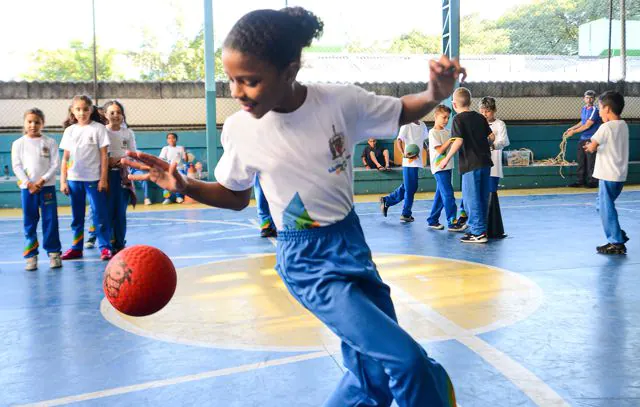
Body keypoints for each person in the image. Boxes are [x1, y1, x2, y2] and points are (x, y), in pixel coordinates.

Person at [125, 7, 463, 406]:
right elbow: (236, 197)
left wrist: (432, 95)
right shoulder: (240, 129)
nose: (236, 91)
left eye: (250, 81)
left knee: (370, 377)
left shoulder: (338, 102)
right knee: (407, 363)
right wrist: (185, 185)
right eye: (231, 79)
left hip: (351, 244)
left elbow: (401, 109)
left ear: (290, 70)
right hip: (306, 260)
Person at [59, 95, 113, 260]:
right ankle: (76, 247)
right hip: (74, 180)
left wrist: (103, 179)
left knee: (99, 214)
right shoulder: (70, 131)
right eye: (78, 109)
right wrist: (63, 180)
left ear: (91, 110)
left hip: (94, 180)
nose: (82, 112)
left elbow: (104, 156)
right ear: (73, 111)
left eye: (85, 109)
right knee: (77, 216)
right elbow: (65, 158)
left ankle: (104, 247)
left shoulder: (98, 129)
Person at [438, 87, 494, 243]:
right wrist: (482, 143)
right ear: (470, 102)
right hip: (485, 162)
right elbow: (492, 137)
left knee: (471, 199)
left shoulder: (458, 119)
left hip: (471, 164)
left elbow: (459, 141)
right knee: (482, 197)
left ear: (454, 104)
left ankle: (478, 233)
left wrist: (446, 158)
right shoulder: (480, 117)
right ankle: (480, 229)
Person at [11, 108, 62, 271]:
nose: (33, 125)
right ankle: (31, 255)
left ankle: (54, 253)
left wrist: (41, 180)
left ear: (43, 124)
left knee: (50, 220)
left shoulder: (50, 142)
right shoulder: (18, 144)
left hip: (46, 188)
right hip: (28, 189)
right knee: (30, 221)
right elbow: (16, 166)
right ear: (25, 123)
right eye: (30, 121)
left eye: (37, 122)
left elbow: (55, 165)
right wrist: (29, 183)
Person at [583, 91, 629, 254]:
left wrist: (589, 147)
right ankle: (618, 234)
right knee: (602, 205)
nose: (600, 112)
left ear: (607, 109)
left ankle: (616, 241)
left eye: (601, 108)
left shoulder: (606, 127)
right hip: (619, 175)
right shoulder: (623, 125)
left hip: (608, 174)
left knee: (605, 207)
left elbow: (593, 145)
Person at [103, 100, 138, 254]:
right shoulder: (102, 132)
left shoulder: (128, 133)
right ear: (105, 115)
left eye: (118, 112)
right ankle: (107, 243)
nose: (115, 115)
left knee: (120, 211)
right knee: (107, 210)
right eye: (112, 112)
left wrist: (124, 161)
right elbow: (99, 154)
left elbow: (133, 154)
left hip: (123, 176)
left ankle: (119, 242)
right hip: (106, 176)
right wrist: (106, 162)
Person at [426, 105, 466, 232]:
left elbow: (457, 143)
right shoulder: (432, 133)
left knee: (440, 196)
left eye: (448, 118)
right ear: (436, 116)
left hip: (448, 167)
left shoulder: (448, 131)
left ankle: (432, 220)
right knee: (448, 195)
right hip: (439, 168)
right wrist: (450, 140)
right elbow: (440, 150)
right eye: (443, 117)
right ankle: (452, 222)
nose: (446, 120)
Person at [379, 121, 428, 222]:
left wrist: (429, 150)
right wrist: (403, 154)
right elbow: (399, 140)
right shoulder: (406, 125)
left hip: (418, 161)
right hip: (409, 162)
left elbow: (424, 142)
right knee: (410, 188)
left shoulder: (422, 125)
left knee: (408, 186)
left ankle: (387, 200)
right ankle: (406, 214)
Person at [479, 96, 509, 238]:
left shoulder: (500, 124)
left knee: (491, 191)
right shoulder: (477, 122)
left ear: (494, 111)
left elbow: (504, 141)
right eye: (483, 111)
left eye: (488, 111)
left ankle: (490, 224)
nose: (485, 114)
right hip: (479, 162)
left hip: (494, 162)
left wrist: (491, 144)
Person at [564, 90, 602, 188]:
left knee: (591, 161)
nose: (589, 99)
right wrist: (572, 128)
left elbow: (587, 126)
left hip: (591, 139)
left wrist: (573, 132)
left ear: (594, 99)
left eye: (591, 97)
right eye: (587, 97)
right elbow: (582, 122)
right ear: (584, 98)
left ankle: (592, 182)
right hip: (583, 138)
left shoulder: (595, 110)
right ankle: (580, 181)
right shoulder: (584, 108)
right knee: (581, 160)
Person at [159, 132, 187, 204]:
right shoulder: (165, 149)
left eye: (173, 138)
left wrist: (185, 152)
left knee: (178, 180)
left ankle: (179, 197)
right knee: (165, 180)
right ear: (167, 140)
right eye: (169, 138)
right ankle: (167, 198)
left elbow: (186, 160)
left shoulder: (180, 148)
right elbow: (161, 159)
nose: (171, 139)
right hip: (168, 169)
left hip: (179, 169)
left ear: (176, 139)